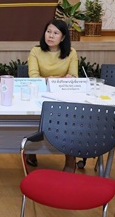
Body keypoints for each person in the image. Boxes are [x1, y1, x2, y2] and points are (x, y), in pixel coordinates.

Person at [27, 18, 79, 171]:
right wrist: (59, 79)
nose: (50, 35)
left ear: (62, 38)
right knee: (33, 116)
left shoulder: (71, 52)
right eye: (48, 31)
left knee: (69, 118)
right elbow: (33, 77)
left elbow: (73, 76)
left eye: (56, 33)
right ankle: (31, 150)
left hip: (63, 94)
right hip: (40, 94)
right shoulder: (36, 51)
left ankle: (70, 157)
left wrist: (51, 79)